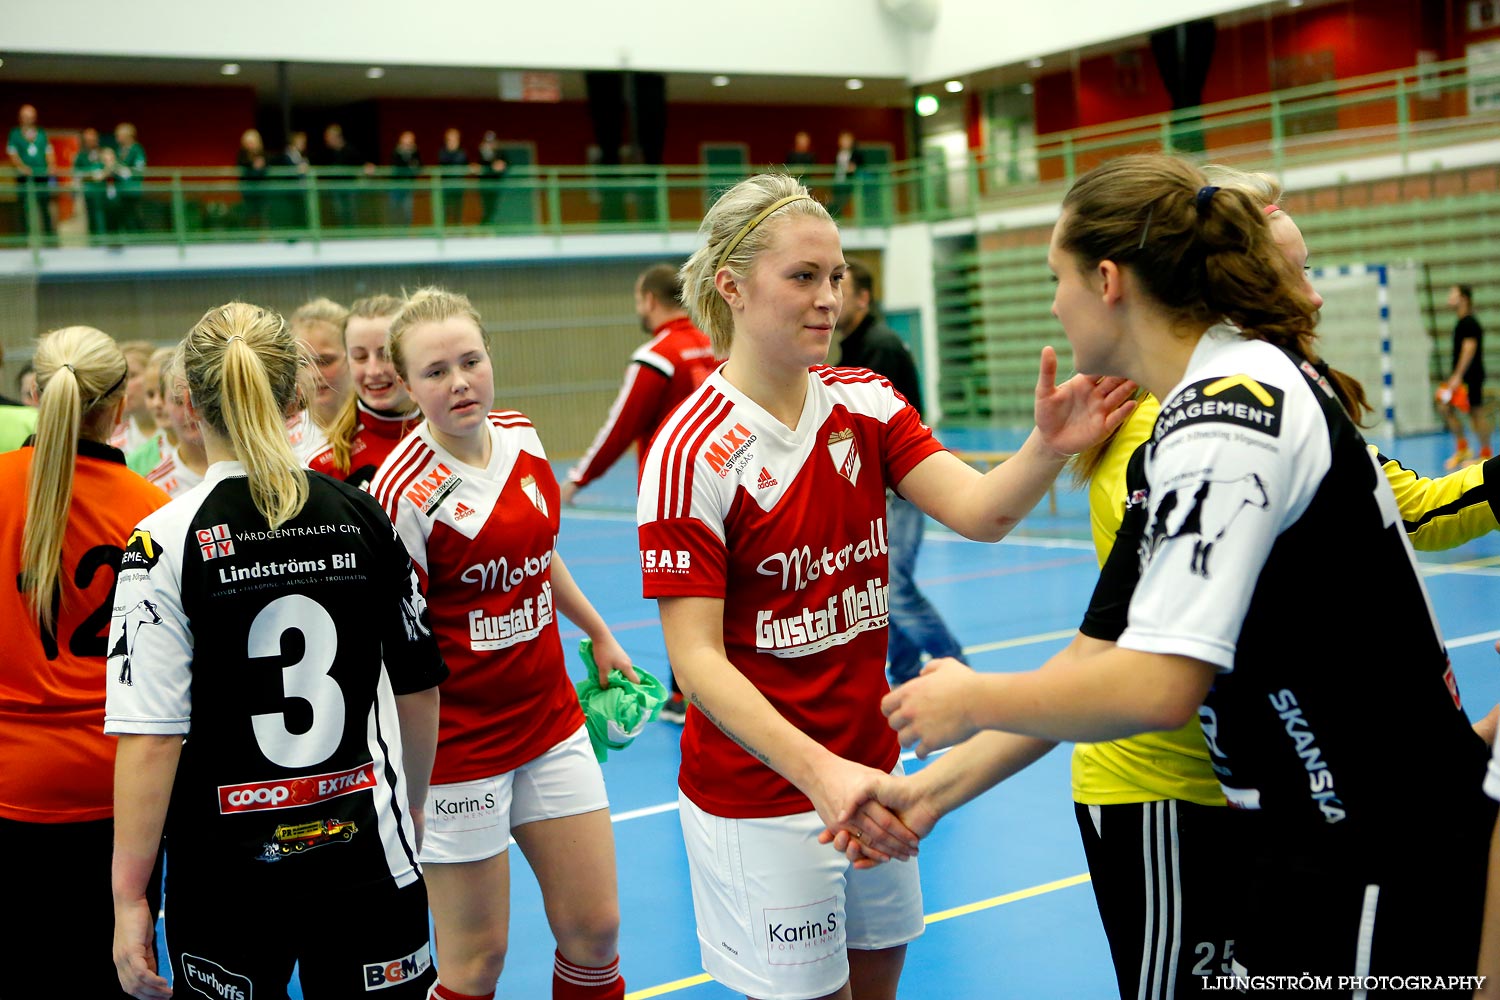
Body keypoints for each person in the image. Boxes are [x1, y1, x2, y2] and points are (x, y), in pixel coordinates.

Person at [832, 162, 1500, 998]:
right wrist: (929, 792)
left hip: (1369, 844)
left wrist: (973, 698)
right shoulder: (1192, 422)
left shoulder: (1230, 415)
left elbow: (1157, 688)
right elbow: (1097, 654)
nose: (1052, 303)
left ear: (1108, 281)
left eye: (1057, 278)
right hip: (1307, 836)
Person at [636, 173, 1134, 1000]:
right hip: (765, 797)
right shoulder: (691, 453)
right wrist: (820, 775)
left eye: (835, 276)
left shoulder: (863, 402)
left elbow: (978, 510)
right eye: (803, 277)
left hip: (873, 778)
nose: (829, 297)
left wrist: (1045, 448)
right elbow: (696, 664)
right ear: (731, 285)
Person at [107, 301, 446, 999]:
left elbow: (151, 737)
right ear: (297, 394)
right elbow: (418, 685)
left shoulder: (161, 541)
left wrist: (128, 896)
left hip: (225, 875)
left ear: (190, 408)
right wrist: (409, 809)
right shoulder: (362, 513)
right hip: (366, 854)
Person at [370, 287, 638, 1000]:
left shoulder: (521, 434)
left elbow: (539, 555)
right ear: (405, 387)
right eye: (435, 372)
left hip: (551, 725)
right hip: (460, 752)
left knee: (597, 930)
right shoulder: (400, 491)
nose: (459, 382)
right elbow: (401, 650)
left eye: (471, 361)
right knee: (476, 964)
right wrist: (414, 782)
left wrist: (600, 632)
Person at [1, 325, 168, 999]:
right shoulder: (155, 512)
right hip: (120, 790)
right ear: (120, 407)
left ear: (35, 395)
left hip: (14, 786)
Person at [561, 263, 716, 722]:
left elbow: (620, 425)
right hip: (725, 483)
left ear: (649, 299)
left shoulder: (658, 355)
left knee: (683, 594)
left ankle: (687, 696)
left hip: (676, 498)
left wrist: (579, 478)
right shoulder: (712, 344)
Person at [836, 259, 967, 687]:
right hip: (881, 489)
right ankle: (907, 671)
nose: (831, 299)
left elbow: (895, 425)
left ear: (863, 298)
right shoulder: (854, 345)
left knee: (894, 586)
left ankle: (958, 666)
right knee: (883, 583)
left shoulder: (879, 346)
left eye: (840, 286)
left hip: (901, 489)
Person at [306, 294, 420, 488]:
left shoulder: (453, 434)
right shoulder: (325, 466)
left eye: (386, 354)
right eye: (360, 357)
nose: (374, 371)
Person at [285, 296, 353, 461]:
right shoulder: (283, 439)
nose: (314, 374)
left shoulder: (383, 424)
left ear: (353, 356)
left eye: (325, 361)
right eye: (303, 362)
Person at [144, 347, 210, 497]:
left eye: (197, 400)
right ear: (164, 404)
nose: (190, 412)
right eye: (178, 401)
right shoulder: (155, 487)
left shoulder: (252, 470)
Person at [1440, 284, 1490, 469]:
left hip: (1470, 377)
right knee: (1445, 407)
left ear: (1463, 299)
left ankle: (1485, 455)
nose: (1449, 297)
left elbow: (1469, 349)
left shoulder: (1469, 322)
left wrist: (1457, 376)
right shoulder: (1461, 322)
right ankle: (1462, 449)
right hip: (1462, 378)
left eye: (1452, 294)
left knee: (1476, 413)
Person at [125, 346, 176, 476]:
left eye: (164, 393)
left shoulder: (212, 447)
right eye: (150, 395)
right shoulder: (135, 461)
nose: (157, 403)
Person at [7, 103, 55, 236]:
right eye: (26, 116)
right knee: (23, 208)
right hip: (24, 178)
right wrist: (22, 168)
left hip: (42, 177)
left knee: (45, 208)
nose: (29, 119)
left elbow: (49, 151)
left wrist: (51, 166)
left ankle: (49, 239)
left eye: (31, 116)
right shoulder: (15, 133)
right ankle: (24, 239)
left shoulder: (41, 133)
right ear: (20, 118)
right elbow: (12, 153)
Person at [108, 340, 159, 455]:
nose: (122, 386)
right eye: (118, 379)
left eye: (132, 375)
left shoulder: (185, 434)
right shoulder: (111, 444)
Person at [73, 126, 109, 239]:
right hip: (88, 192)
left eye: (93, 139)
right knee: (90, 217)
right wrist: (91, 176)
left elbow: (109, 168)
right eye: (88, 140)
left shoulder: (103, 153)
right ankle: (93, 242)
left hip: (102, 192)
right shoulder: (81, 156)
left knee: (102, 217)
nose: (90, 142)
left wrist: (103, 173)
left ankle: (104, 240)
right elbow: (77, 174)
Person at [112, 123, 146, 233]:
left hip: (133, 190)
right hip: (120, 190)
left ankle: (138, 240)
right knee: (123, 216)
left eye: (119, 135)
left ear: (128, 136)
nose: (117, 138)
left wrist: (126, 171)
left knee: (135, 216)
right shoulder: (119, 151)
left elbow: (139, 169)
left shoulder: (137, 149)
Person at [236, 128, 269, 230]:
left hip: (262, 191)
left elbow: (266, 167)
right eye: (248, 142)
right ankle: (250, 234)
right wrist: (253, 166)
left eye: (252, 142)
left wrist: (259, 168)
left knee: (263, 214)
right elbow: (243, 170)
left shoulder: (263, 154)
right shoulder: (242, 155)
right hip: (248, 191)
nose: (250, 145)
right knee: (250, 215)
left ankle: (264, 236)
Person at [437, 128, 469, 227]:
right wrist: (451, 150)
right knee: (446, 209)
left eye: (455, 138)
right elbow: (444, 162)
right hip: (445, 185)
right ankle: (444, 229)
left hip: (458, 185)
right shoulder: (442, 152)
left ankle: (457, 228)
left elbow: (465, 164)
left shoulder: (462, 152)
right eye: (450, 138)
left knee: (457, 209)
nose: (452, 141)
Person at [390, 130, 421, 227]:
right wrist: (409, 164)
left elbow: (418, 166)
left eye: (411, 140)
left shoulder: (415, 152)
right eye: (406, 139)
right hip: (396, 185)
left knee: (407, 210)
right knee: (395, 209)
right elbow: (397, 165)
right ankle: (395, 230)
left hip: (409, 185)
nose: (408, 142)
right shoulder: (396, 151)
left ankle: (406, 229)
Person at [477, 131, 508, 225]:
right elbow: (481, 164)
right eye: (488, 142)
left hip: (495, 184)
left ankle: (487, 226)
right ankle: (484, 226)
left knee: (493, 207)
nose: (490, 144)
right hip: (484, 184)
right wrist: (492, 165)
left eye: (492, 142)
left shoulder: (500, 152)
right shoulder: (481, 152)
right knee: (486, 206)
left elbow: (506, 163)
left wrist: (502, 165)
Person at [830, 130, 863, 219]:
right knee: (835, 201)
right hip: (838, 181)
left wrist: (854, 168)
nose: (844, 142)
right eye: (843, 140)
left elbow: (861, 164)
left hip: (849, 182)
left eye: (847, 140)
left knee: (845, 201)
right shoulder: (838, 153)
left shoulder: (856, 153)